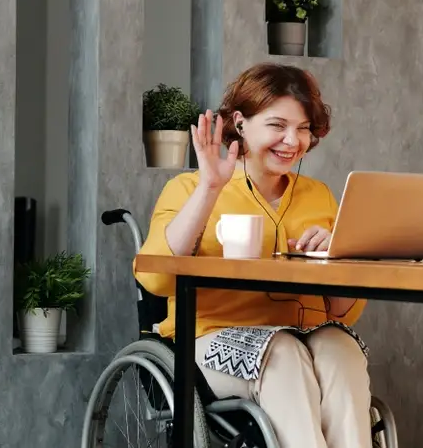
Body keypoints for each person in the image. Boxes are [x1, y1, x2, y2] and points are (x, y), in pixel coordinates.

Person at [133, 63, 371, 448]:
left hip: (307, 335)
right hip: (210, 340)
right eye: (277, 125)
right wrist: (210, 187)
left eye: (303, 128)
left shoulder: (319, 196)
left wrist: (336, 257)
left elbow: (341, 310)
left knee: (340, 349)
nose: (292, 141)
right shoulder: (188, 188)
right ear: (240, 123)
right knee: (284, 353)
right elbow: (157, 279)